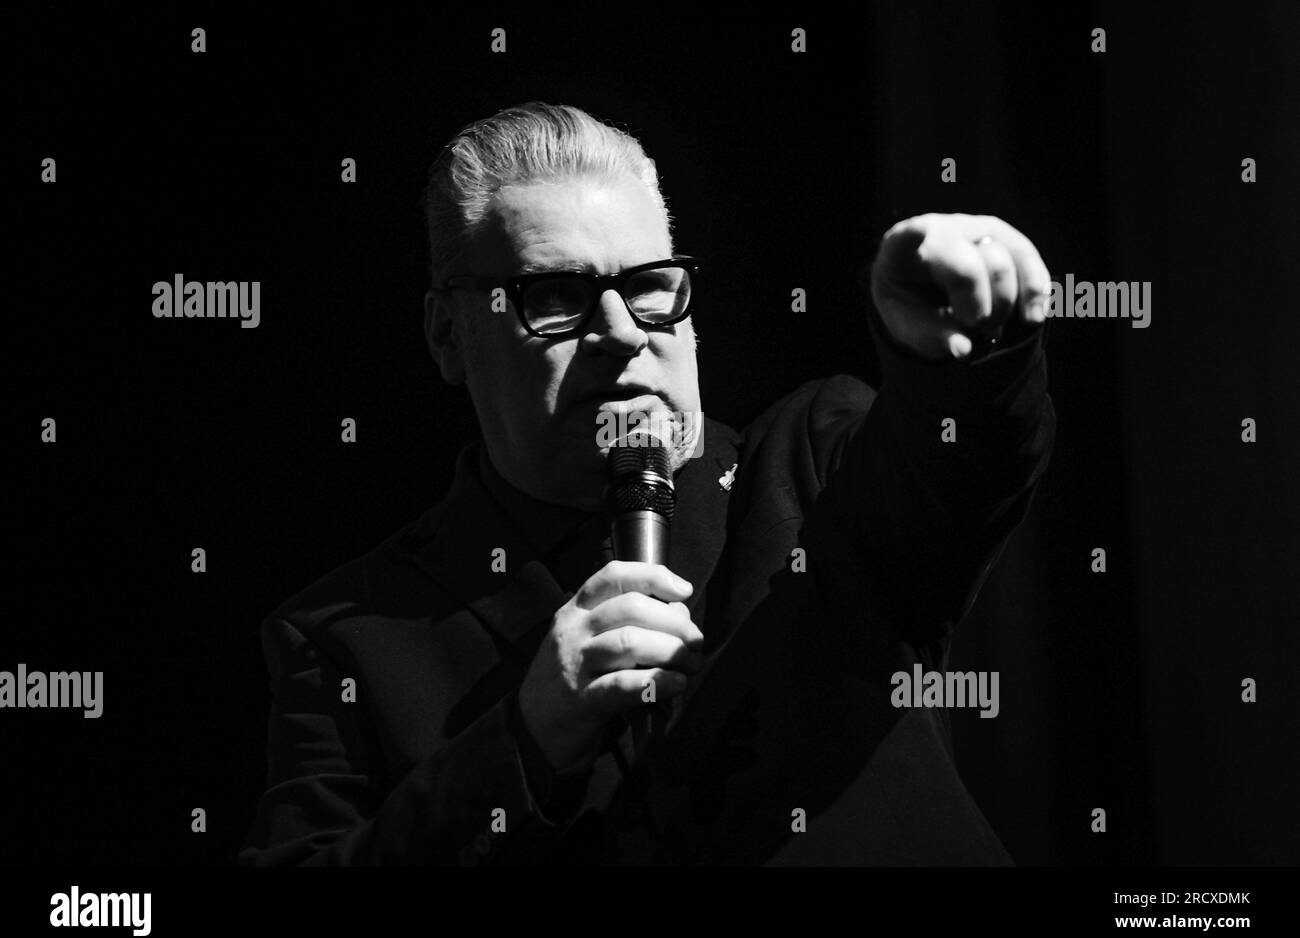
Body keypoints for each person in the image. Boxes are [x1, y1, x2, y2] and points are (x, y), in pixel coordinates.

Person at [238, 101, 1055, 866]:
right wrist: (524, 738)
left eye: (648, 287)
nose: (622, 332)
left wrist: (973, 348)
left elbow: (960, 464)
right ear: (449, 336)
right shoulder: (345, 635)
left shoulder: (811, 464)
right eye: (554, 296)